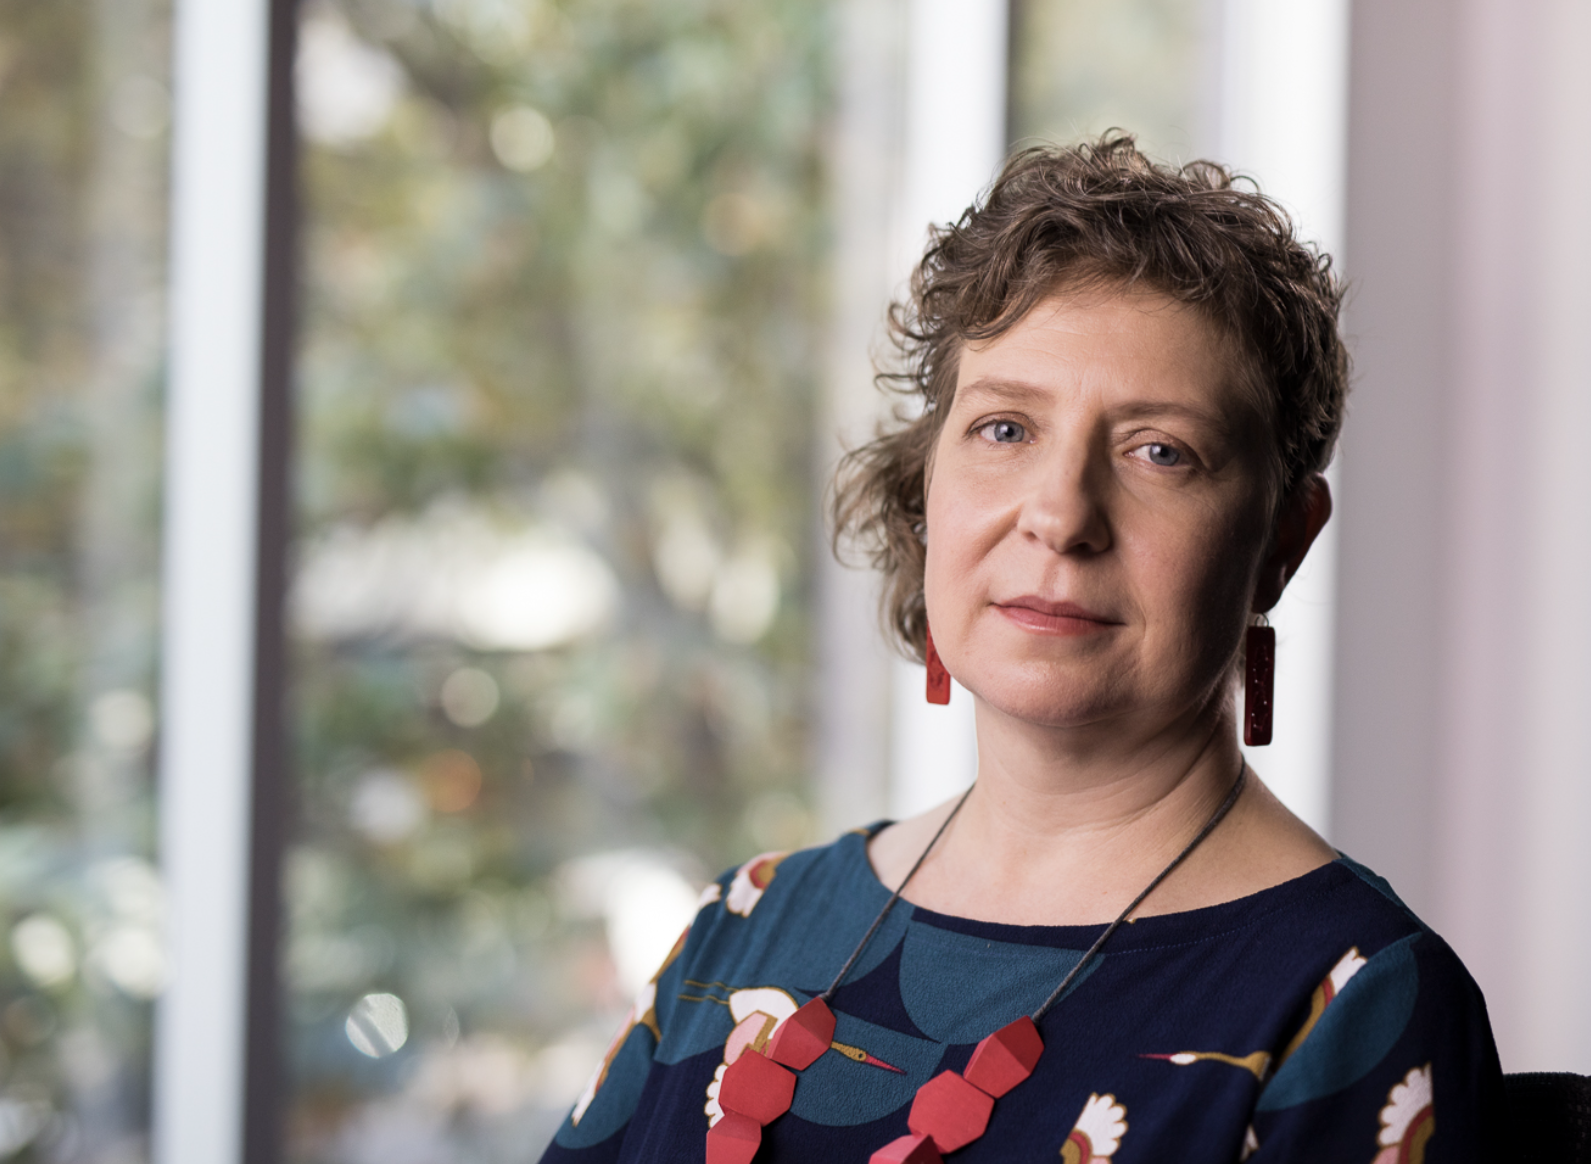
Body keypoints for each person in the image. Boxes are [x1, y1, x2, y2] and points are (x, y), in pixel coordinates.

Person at [542, 135, 1503, 1163]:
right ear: (926, 497)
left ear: (1280, 541)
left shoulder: (1353, 1000)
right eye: (1005, 429)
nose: (1059, 514)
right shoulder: (743, 926)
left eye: (1158, 452)